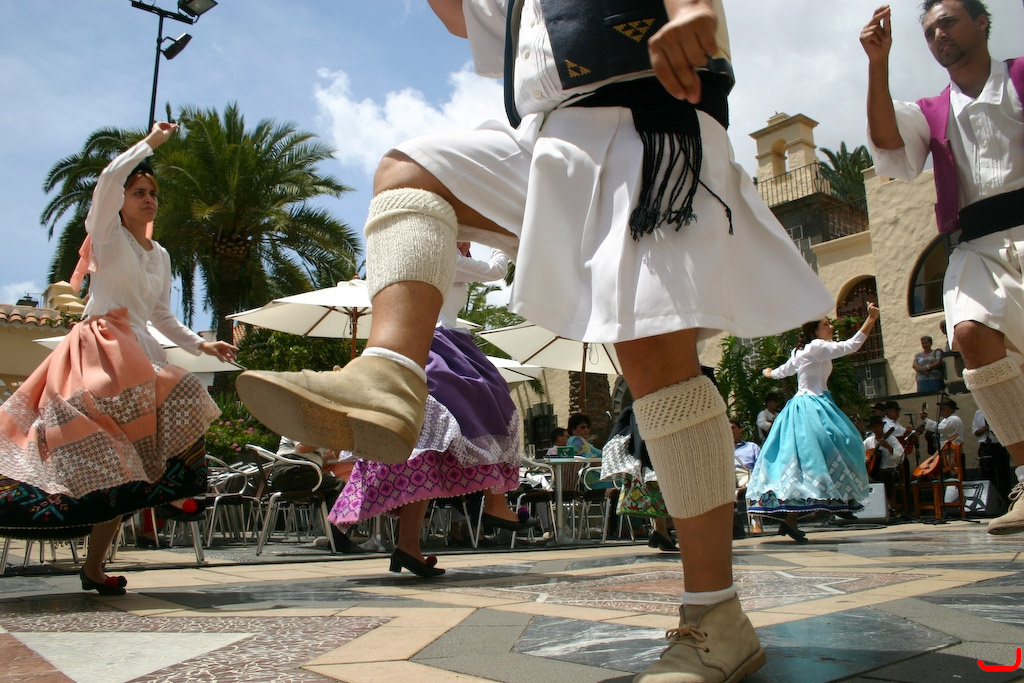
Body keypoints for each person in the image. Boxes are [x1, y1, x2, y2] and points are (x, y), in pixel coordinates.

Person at [236, 2, 835, 679]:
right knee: (409, 171)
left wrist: (692, 7)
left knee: (660, 370)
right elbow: (463, 18)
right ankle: (389, 372)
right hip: (550, 138)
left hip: (647, 126)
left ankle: (716, 614)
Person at [0, 122, 234, 595]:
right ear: (121, 200)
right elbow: (108, 179)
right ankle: (171, 493)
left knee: (132, 468)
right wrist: (149, 144)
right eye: (139, 192)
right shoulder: (107, 236)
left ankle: (97, 564)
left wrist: (201, 346)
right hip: (99, 350)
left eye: (153, 193)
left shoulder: (160, 255)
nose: (148, 199)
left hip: (140, 353)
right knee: (113, 451)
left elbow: (161, 315)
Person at [860, 1, 1024, 535]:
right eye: (930, 31)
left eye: (948, 22)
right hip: (976, 243)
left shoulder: (1020, 78)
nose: (939, 35)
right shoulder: (931, 112)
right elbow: (889, 144)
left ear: (982, 22)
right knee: (970, 332)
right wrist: (877, 64)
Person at [328, 244, 535, 578]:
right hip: (436, 347)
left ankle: (408, 546)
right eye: (466, 236)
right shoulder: (441, 254)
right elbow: (496, 270)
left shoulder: (429, 256)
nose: (469, 245)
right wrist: (500, 241)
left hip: (424, 346)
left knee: (424, 455)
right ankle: (497, 505)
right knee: (492, 401)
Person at [746, 304, 880, 543]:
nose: (831, 327)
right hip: (812, 405)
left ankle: (796, 519)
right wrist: (871, 319)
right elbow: (852, 345)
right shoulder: (818, 346)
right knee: (843, 443)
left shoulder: (802, 350)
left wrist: (769, 373)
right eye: (826, 324)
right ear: (814, 331)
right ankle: (841, 499)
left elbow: (784, 370)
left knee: (807, 459)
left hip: (806, 405)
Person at [271, 436, 364, 554]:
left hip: (300, 472)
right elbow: (302, 448)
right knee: (337, 485)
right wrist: (328, 439)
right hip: (290, 471)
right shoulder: (300, 427)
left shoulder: (315, 436)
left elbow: (327, 456)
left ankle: (338, 537)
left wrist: (340, 446)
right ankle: (339, 540)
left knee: (335, 486)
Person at [974, 408, 1013, 501]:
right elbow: (975, 431)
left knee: (1002, 473)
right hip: (985, 445)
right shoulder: (979, 413)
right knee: (986, 473)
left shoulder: (999, 411)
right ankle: (989, 499)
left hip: (999, 445)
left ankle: (1005, 499)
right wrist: (983, 430)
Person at [731, 419, 762, 535]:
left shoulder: (751, 447)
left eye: (733, 428)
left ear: (740, 430)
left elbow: (760, 465)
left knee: (753, 485)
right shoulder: (721, 447)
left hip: (745, 473)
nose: (730, 431)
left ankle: (755, 522)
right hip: (727, 474)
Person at [864, 415, 904, 490]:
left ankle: (888, 496)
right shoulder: (868, 441)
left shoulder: (892, 440)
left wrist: (888, 447)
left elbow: (901, 458)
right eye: (874, 427)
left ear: (882, 426)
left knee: (884, 475)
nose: (876, 429)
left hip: (889, 471)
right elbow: (862, 455)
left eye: (878, 426)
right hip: (873, 472)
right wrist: (866, 461)